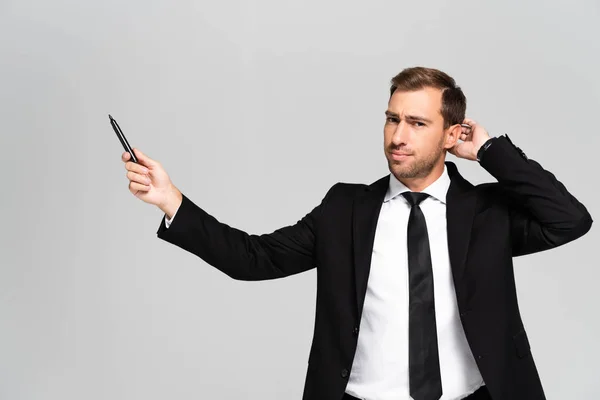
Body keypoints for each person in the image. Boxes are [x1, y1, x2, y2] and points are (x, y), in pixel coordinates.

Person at [121, 66, 592, 400]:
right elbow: (254, 259)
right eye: (392, 119)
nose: (397, 136)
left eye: (417, 123)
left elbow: (569, 219)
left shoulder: (487, 213)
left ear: (451, 135)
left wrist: (489, 150)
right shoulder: (345, 208)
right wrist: (171, 201)